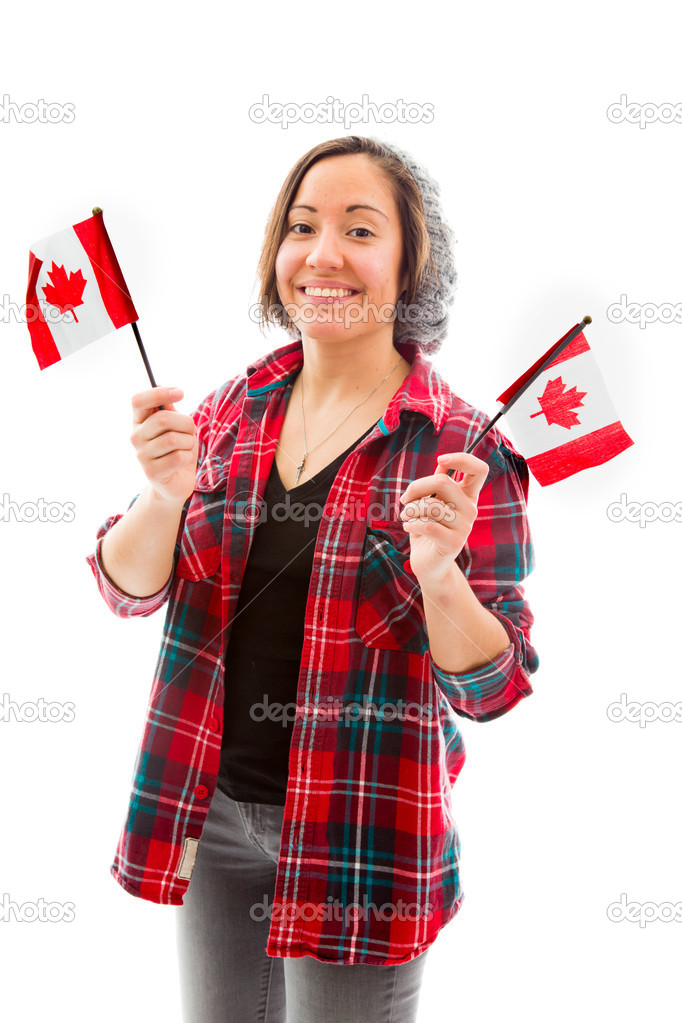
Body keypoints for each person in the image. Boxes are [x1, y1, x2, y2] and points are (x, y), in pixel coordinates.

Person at [86, 135, 539, 1023]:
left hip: (358, 834)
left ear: (411, 269)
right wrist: (162, 495)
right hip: (212, 817)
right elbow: (123, 587)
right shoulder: (229, 410)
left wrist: (442, 579)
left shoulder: (461, 452)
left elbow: (494, 686)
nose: (323, 254)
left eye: (360, 229)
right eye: (303, 226)